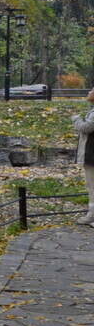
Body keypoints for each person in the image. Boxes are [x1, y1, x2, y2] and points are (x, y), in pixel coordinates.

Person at [71, 85, 94, 225]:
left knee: (92, 186)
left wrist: (76, 119)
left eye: (92, 90)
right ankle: (91, 214)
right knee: (90, 186)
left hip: (92, 155)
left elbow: (86, 128)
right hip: (90, 155)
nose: (89, 92)